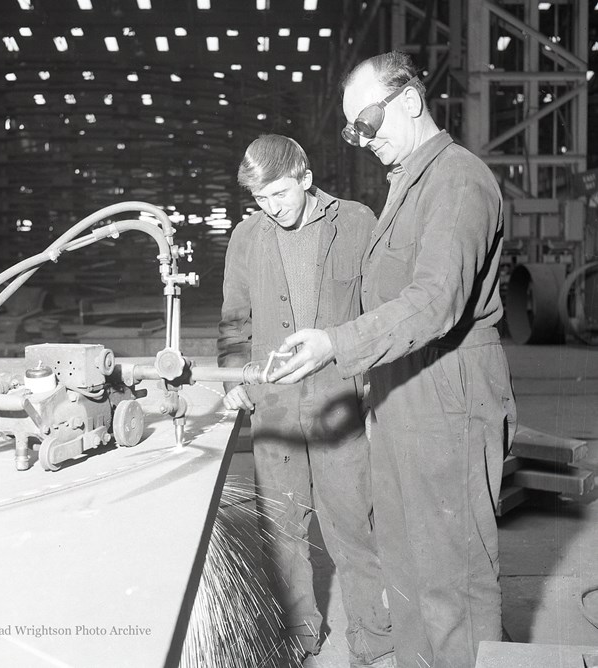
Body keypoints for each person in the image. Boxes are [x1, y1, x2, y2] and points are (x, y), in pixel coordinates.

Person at [269, 52, 517, 668]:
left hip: (448, 396)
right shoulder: (407, 185)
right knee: (405, 570)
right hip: (403, 397)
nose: (363, 138)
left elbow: (436, 301)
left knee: (451, 583)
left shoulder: (457, 180)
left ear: (410, 99)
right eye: (353, 129)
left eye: (369, 120)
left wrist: (337, 343)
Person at [217, 134, 394, 668]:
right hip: (274, 406)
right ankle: (298, 635)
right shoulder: (248, 237)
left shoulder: (358, 222)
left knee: (352, 525)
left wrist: (375, 389)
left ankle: (373, 636)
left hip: (339, 401)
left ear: (306, 177)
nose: (271, 209)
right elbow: (233, 322)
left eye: (279, 195)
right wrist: (232, 380)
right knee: (282, 527)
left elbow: (380, 310)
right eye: (260, 200)